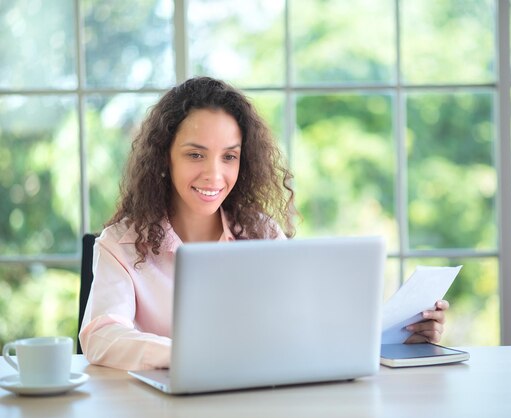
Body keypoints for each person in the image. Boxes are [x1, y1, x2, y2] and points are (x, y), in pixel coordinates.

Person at [79, 76, 449, 371]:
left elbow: (307, 324)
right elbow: (102, 335)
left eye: (229, 157)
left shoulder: (260, 233)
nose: (214, 175)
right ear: (164, 158)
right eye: (195, 154)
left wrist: (399, 336)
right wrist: (191, 355)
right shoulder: (120, 244)